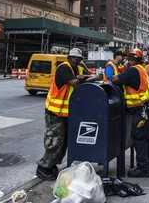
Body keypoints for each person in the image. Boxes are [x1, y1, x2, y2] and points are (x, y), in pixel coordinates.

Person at [36, 48, 102, 181]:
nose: (76, 60)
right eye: (73, 57)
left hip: (66, 114)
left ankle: (52, 165)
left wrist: (88, 77)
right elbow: (76, 83)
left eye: (78, 58)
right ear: (69, 57)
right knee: (54, 141)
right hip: (55, 112)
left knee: (63, 142)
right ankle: (43, 168)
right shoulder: (64, 68)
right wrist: (93, 77)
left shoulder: (77, 69)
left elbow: (86, 76)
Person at [110, 48, 149, 177]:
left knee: (140, 138)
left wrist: (112, 75)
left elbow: (115, 80)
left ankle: (143, 168)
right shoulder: (141, 69)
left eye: (131, 58)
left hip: (141, 110)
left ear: (135, 60)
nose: (129, 61)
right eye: (129, 58)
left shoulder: (133, 70)